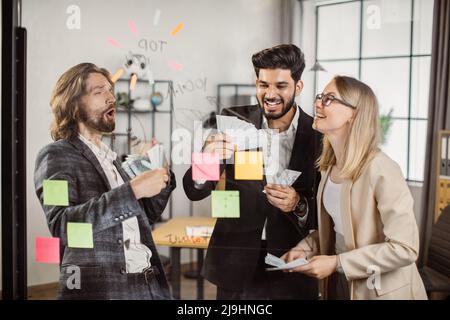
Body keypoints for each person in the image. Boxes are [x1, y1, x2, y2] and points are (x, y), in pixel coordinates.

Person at [183, 44, 322, 299]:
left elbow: (327, 210)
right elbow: (194, 191)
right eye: (263, 85)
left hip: (293, 262)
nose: (270, 94)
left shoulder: (319, 135)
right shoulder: (234, 120)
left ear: (298, 87)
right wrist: (206, 160)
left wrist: (299, 205)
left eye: (280, 86)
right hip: (235, 262)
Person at [34, 63, 176, 300]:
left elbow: (143, 216)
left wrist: (161, 173)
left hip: (149, 286)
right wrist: (133, 189)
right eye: (99, 92)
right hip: (105, 290)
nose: (111, 98)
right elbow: (62, 225)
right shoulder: (55, 155)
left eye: (110, 91)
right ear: (73, 103)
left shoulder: (110, 159)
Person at [282, 76, 427, 300]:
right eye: (320, 96)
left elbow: (405, 248)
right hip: (343, 282)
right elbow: (341, 229)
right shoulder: (329, 167)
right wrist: (307, 247)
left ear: (355, 114)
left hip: (381, 290)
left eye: (329, 99)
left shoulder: (381, 169)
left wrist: (338, 263)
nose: (318, 103)